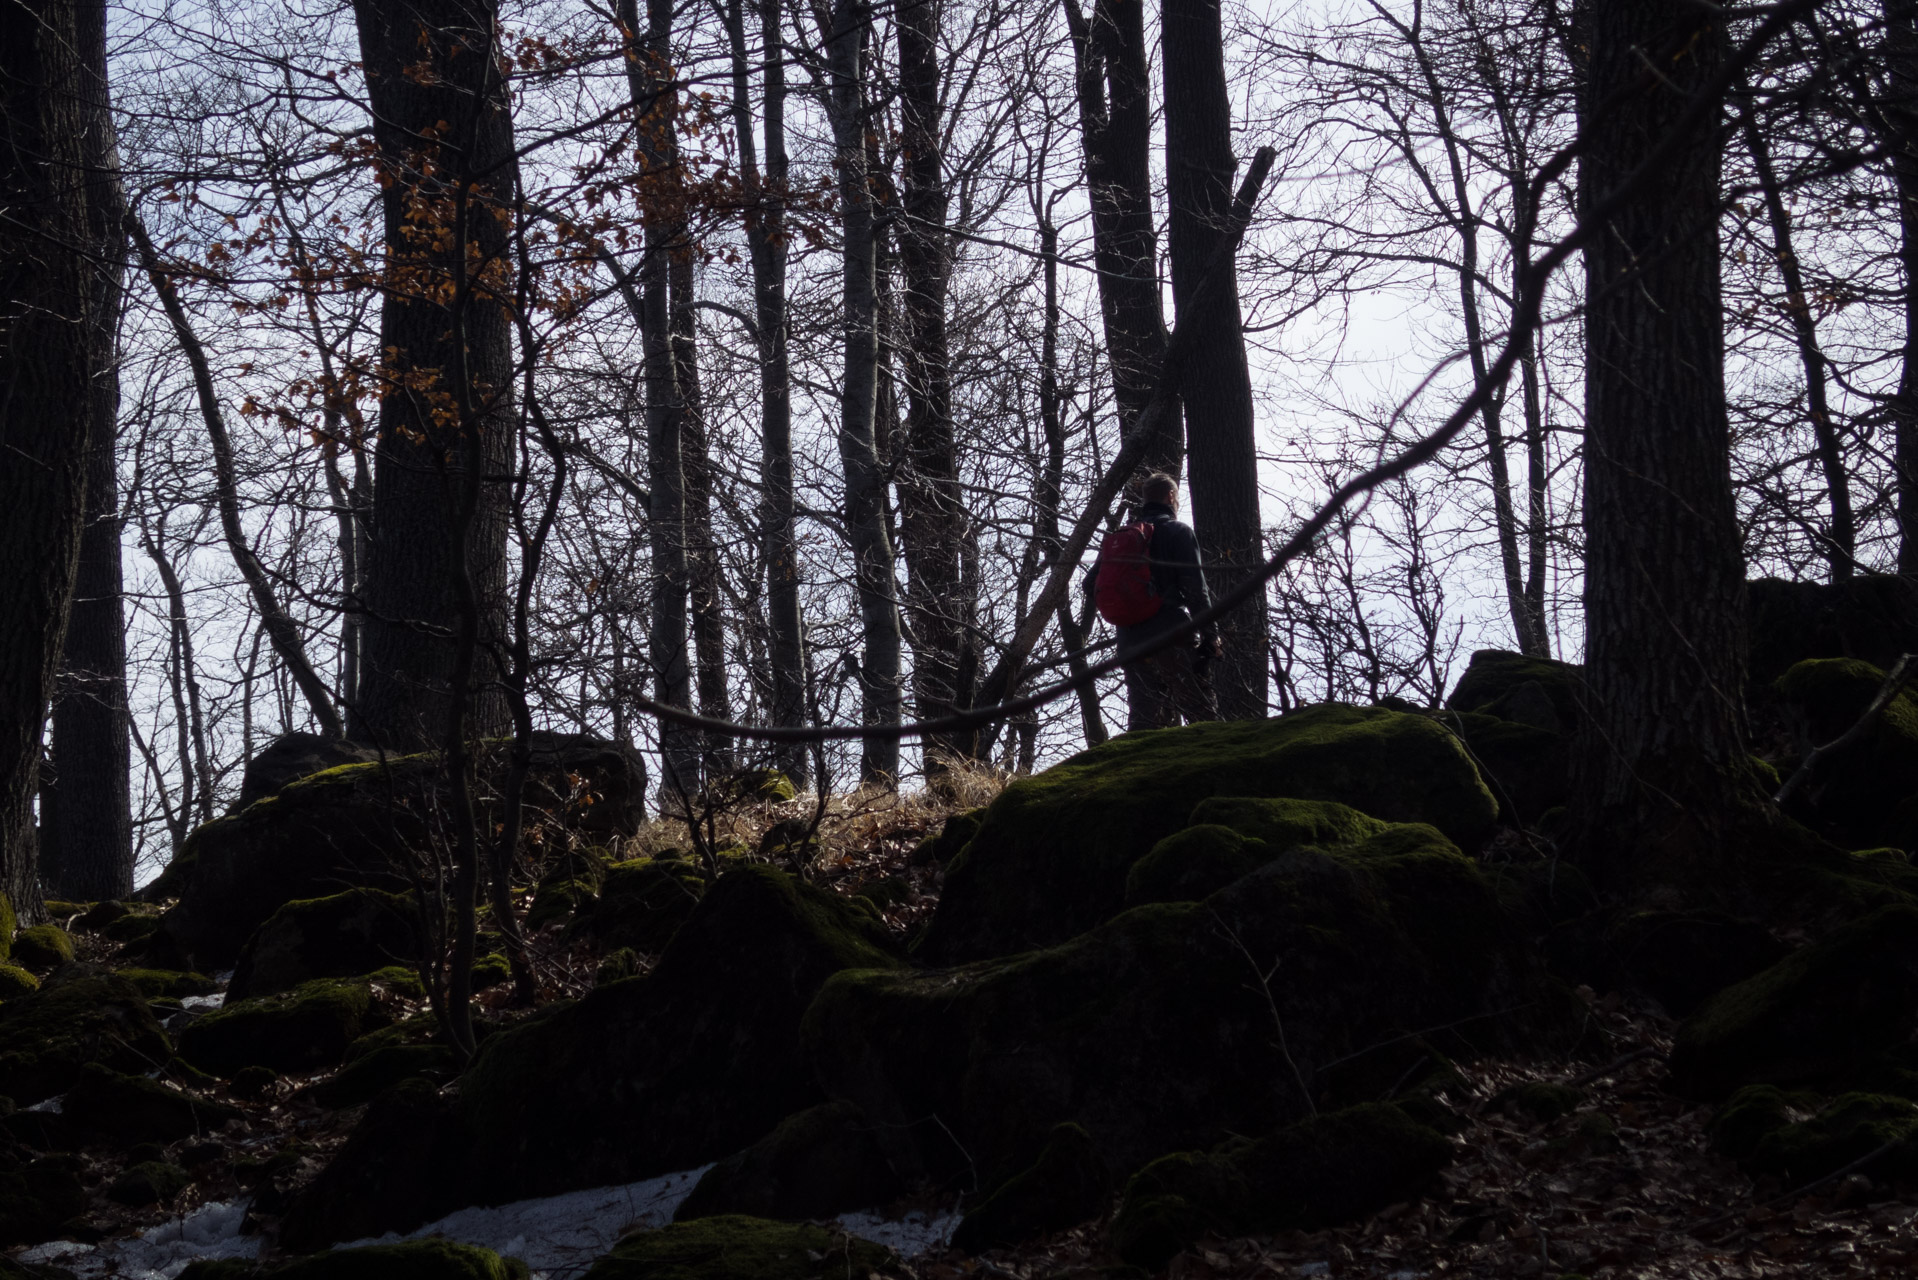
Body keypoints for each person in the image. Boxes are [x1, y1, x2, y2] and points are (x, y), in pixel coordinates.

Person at [1085, 473, 1222, 731]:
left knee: (1144, 721)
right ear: (1171, 497)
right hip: (1172, 634)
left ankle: (1137, 770)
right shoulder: (1177, 531)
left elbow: (1089, 584)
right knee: (1202, 715)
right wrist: (1210, 635)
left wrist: (1129, 606)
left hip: (1130, 641)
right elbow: (1195, 588)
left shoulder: (1124, 538)